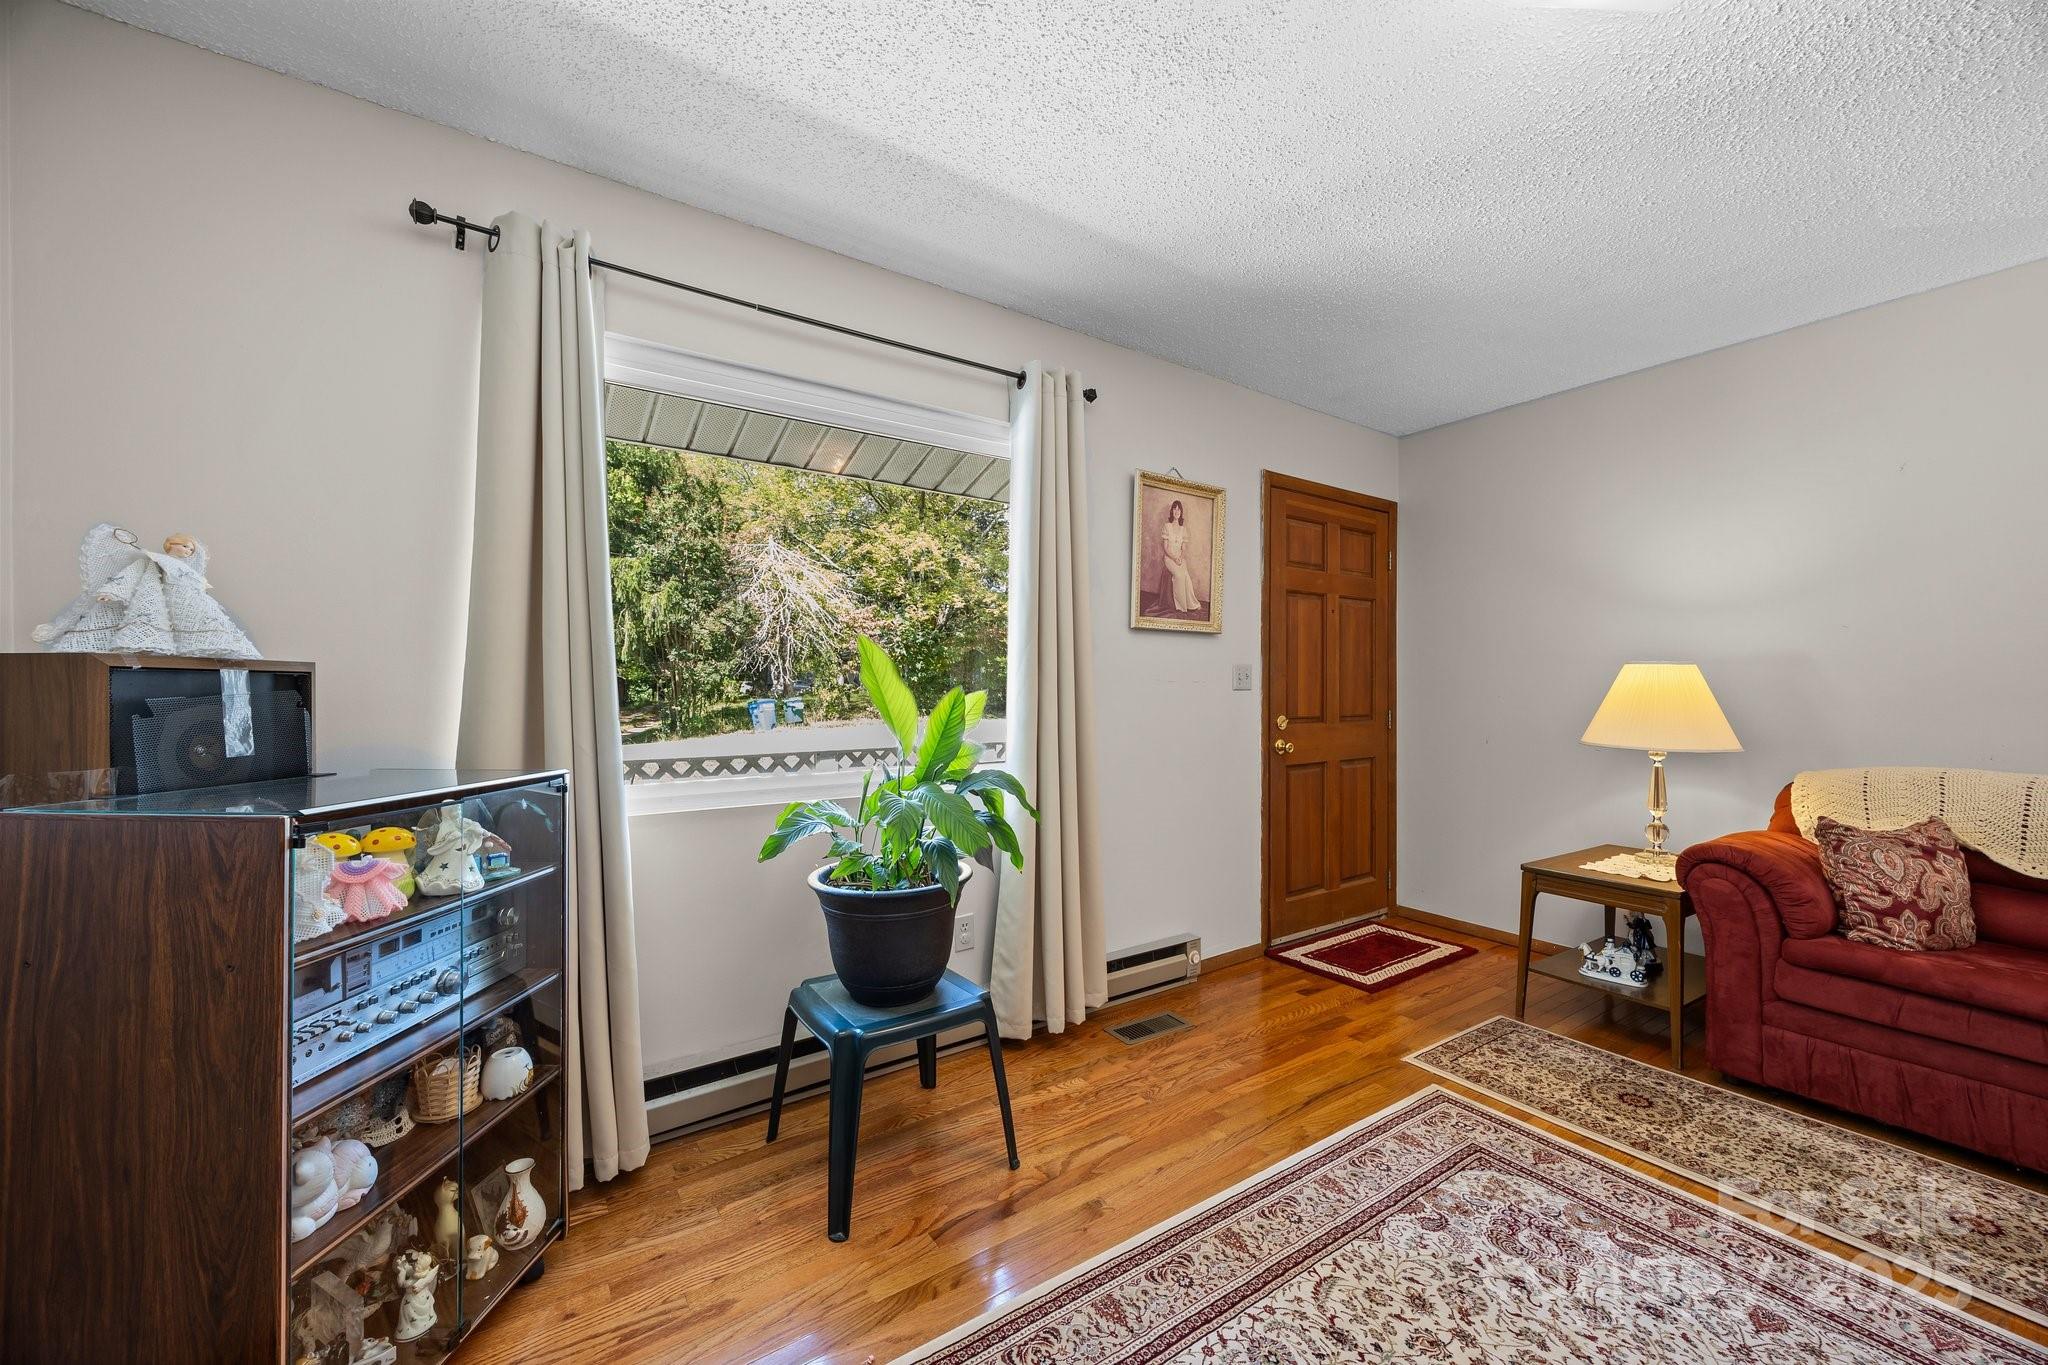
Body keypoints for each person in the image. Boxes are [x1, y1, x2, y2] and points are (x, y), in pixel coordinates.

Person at [1158, 499, 1201, 614]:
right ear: (1172, 511)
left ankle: (1191, 604)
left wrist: (1180, 558)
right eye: (1175, 509)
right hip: (1169, 558)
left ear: (1181, 512)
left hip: (1180, 558)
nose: (1177, 511)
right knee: (1179, 575)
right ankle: (1181, 606)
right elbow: (1165, 548)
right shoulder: (1167, 526)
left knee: (1186, 576)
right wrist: (1174, 558)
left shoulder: (1183, 529)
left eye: (1179, 509)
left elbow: (1184, 548)